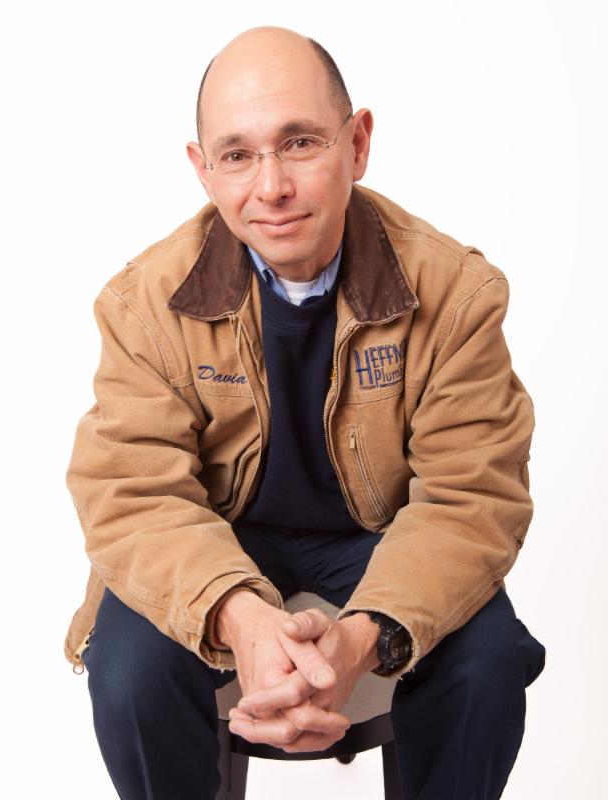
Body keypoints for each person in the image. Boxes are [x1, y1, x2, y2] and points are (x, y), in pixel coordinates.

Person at [63, 24, 546, 800]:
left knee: (487, 661)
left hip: (381, 538)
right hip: (218, 536)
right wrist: (239, 617)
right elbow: (133, 495)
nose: (271, 187)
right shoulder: (142, 304)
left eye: (298, 143)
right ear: (202, 171)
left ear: (357, 145)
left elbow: (471, 499)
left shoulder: (456, 294)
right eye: (236, 155)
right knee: (127, 670)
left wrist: (360, 639)